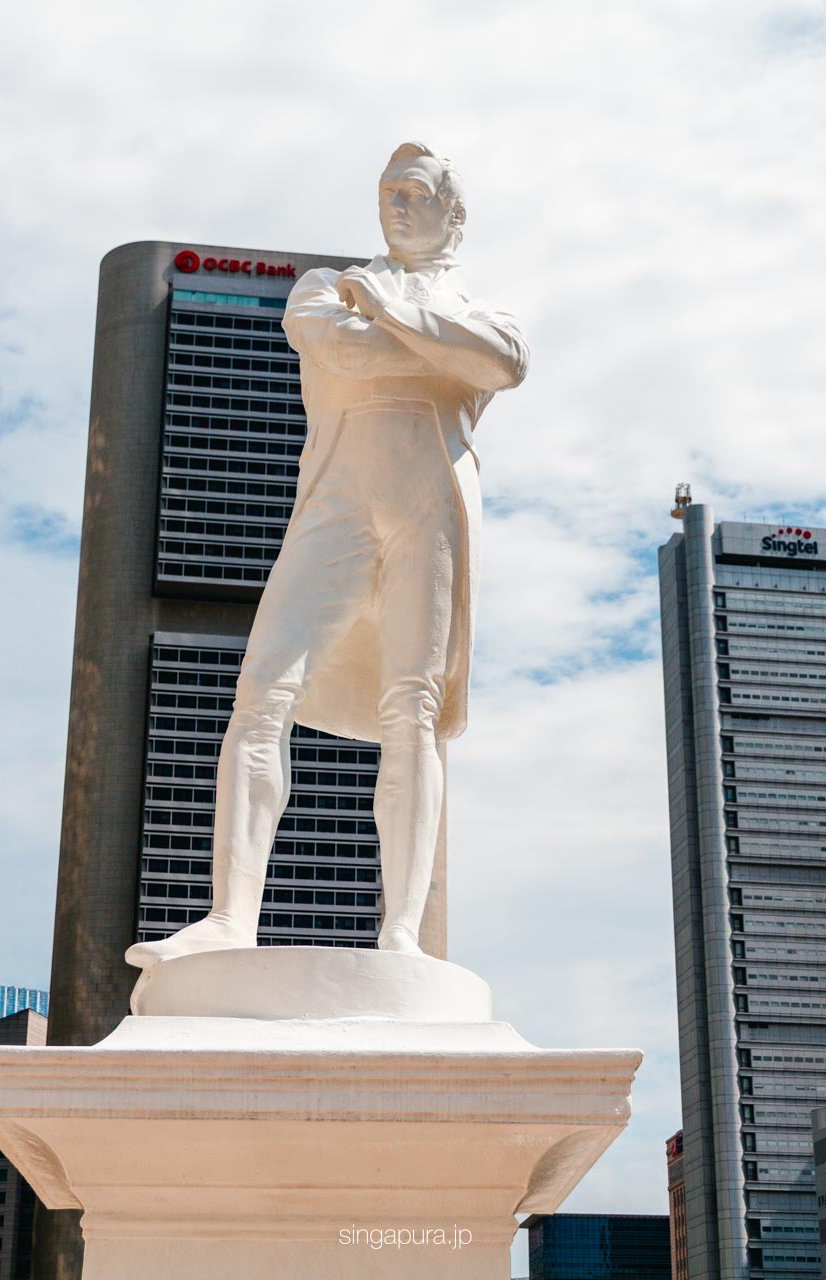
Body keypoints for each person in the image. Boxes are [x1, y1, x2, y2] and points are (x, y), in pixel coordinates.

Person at [125, 142, 529, 969]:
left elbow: (502, 363)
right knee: (261, 688)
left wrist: (386, 310)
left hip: (434, 506)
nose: (395, 206)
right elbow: (342, 354)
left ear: (454, 213)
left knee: (410, 711)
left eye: (414, 194)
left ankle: (403, 935)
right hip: (338, 501)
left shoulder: (466, 311)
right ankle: (231, 917)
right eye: (386, 193)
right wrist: (427, 348)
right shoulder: (321, 290)